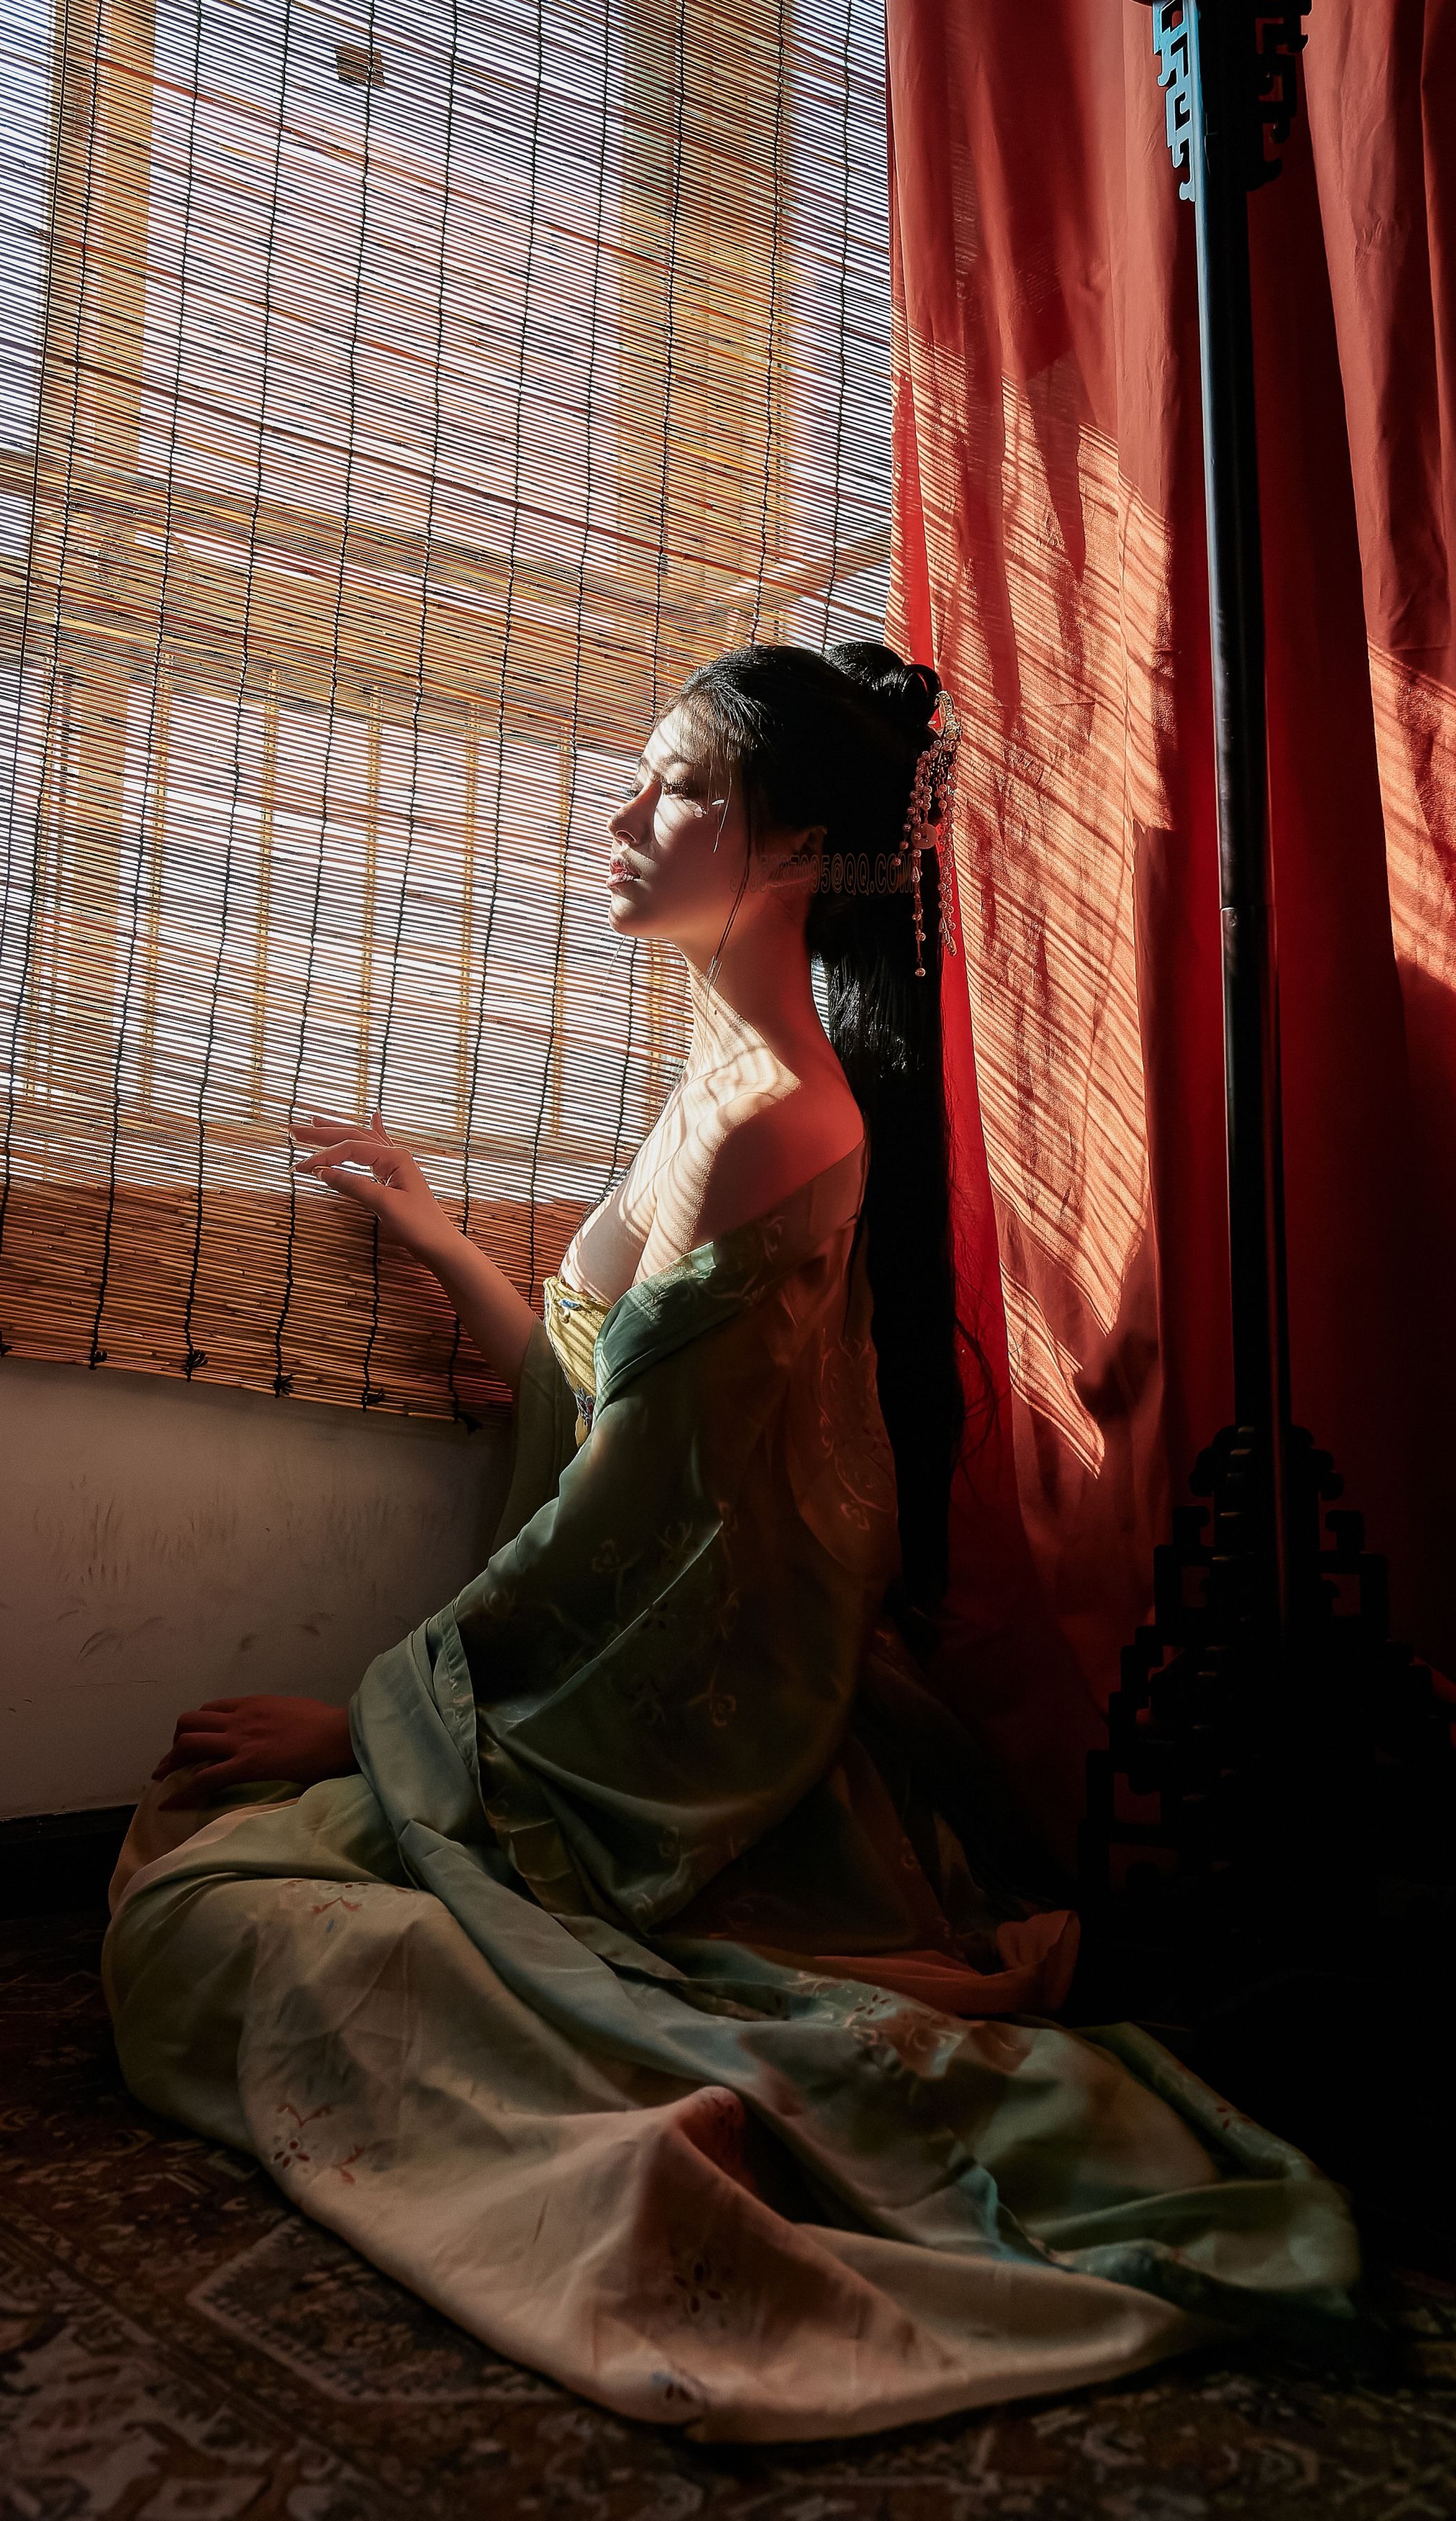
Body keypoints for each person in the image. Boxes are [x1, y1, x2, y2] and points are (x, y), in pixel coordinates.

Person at [103, 641, 1356, 2442]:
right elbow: (596, 1413)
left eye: (677, 786)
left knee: (225, 1919)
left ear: (791, 849)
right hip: (617, 1683)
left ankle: (701, 2149)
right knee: (221, 1892)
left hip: (704, 1732)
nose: (622, 816)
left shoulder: (775, 1117)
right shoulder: (718, 1084)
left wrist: (371, 1733)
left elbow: (648, 1537)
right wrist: (446, 1242)